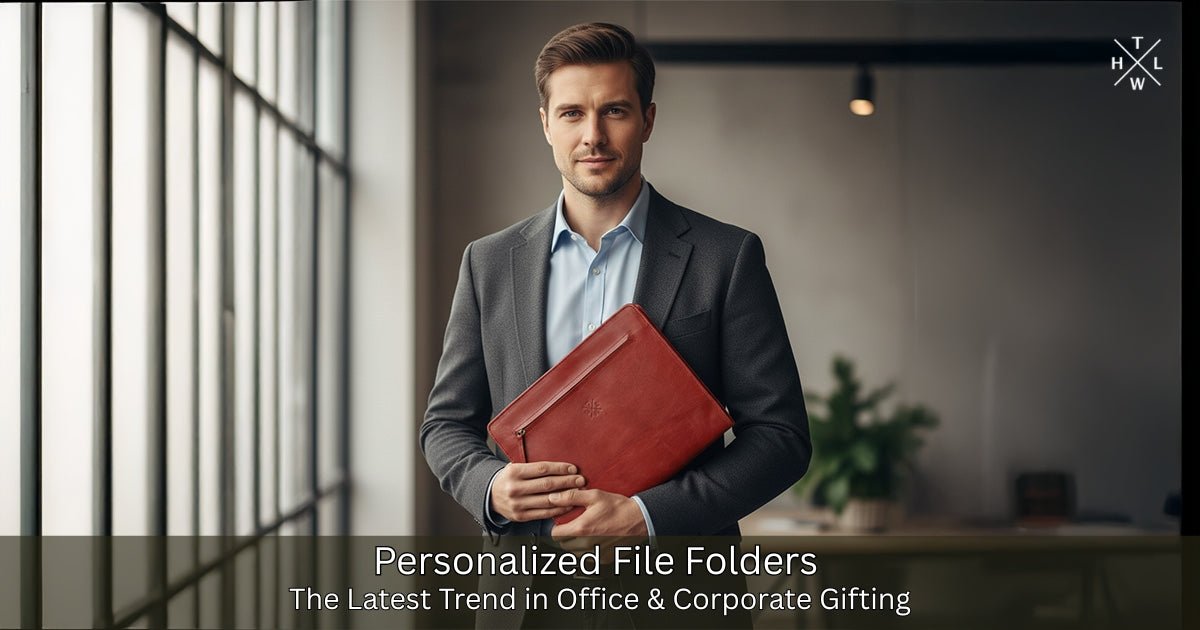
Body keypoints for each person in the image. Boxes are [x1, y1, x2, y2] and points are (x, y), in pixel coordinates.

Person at [420, 22, 810, 628]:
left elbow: (781, 438)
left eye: (615, 111)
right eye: (572, 113)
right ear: (545, 123)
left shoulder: (725, 257)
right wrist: (490, 488)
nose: (593, 135)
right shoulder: (488, 263)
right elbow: (445, 425)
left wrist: (647, 517)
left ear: (648, 121)